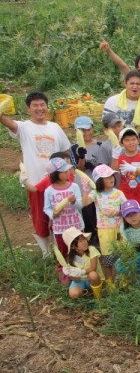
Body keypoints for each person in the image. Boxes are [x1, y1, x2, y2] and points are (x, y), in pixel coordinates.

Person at [3, 92, 71, 257]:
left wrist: (68, 170)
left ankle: (61, 247)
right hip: (35, 181)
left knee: (60, 214)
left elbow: (66, 151)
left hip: (56, 182)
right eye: (35, 105)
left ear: (47, 107)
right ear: (28, 108)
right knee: (40, 216)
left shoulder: (54, 127)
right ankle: (46, 251)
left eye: (42, 105)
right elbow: (8, 123)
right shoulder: (24, 127)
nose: (40, 108)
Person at [81, 165, 126, 287]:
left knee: (122, 254)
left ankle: (123, 279)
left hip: (119, 229)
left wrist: (118, 212)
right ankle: (109, 281)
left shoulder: (119, 193)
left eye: (111, 176)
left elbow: (127, 210)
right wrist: (85, 189)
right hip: (104, 230)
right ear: (99, 181)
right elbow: (84, 203)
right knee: (107, 258)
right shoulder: (96, 193)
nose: (111, 179)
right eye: (106, 177)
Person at [43, 157, 84, 260]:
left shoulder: (74, 187)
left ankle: (81, 271)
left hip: (76, 226)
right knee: (63, 252)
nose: (67, 173)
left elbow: (80, 206)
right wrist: (53, 214)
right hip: (60, 229)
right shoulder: (49, 191)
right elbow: (46, 208)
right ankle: (64, 272)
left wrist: (74, 201)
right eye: (64, 171)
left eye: (67, 170)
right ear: (54, 174)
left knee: (80, 251)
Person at [116, 200, 140, 285]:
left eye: (134, 213)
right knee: (119, 264)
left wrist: (139, 246)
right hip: (135, 253)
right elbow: (124, 247)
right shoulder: (122, 228)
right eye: (128, 215)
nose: (132, 217)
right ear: (124, 217)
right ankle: (133, 276)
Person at [59, 227, 103, 300]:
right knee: (74, 294)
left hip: (92, 279)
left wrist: (81, 272)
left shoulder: (91, 249)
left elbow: (93, 268)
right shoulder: (71, 258)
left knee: (93, 274)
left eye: (84, 239)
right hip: (81, 280)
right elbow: (77, 280)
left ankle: (98, 297)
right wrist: (70, 274)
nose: (84, 242)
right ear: (73, 246)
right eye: (80, 241)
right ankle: (86, 292)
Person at [112, 127, 140, 206]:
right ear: (121, 143)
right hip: (126, 198)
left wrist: (134, 169)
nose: (131, 142)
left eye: (133, 139)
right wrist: (115, 157)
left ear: (138, 141)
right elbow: (113, 171)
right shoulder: (120, 157)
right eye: (127, 140)